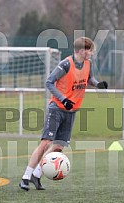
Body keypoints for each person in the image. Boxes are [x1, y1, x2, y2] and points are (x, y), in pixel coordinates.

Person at [19, 37, 108, 191]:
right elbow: (49, 82)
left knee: (59, 146)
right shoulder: (66, 64)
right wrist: (63, 99)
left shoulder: (88, 63)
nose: (92, 53)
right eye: (90, 50)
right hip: (57, 109)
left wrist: (98, 84)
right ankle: (25, 177)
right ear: (81, 51)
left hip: (72, 111)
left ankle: (37, 175)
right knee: (46, 143)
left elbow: (89, 78)